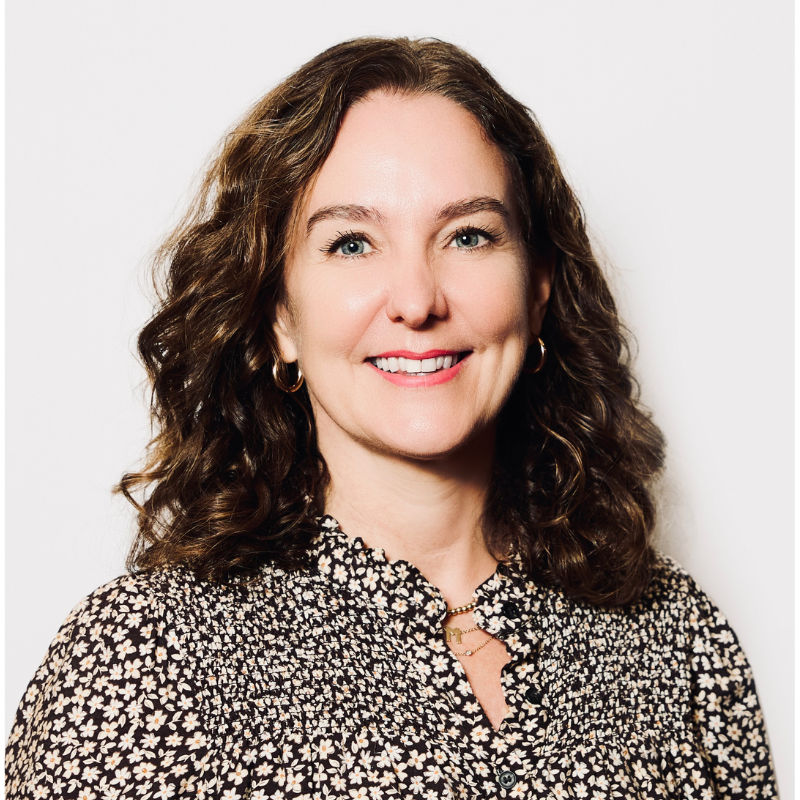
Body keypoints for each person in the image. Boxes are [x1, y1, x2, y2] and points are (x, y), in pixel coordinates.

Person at [6, 36, 777, 799]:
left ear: (538, 289)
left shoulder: (677, 639)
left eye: (468, 235)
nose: (416, 301)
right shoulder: (142, 661)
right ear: (279, 315)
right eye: (351, 244)